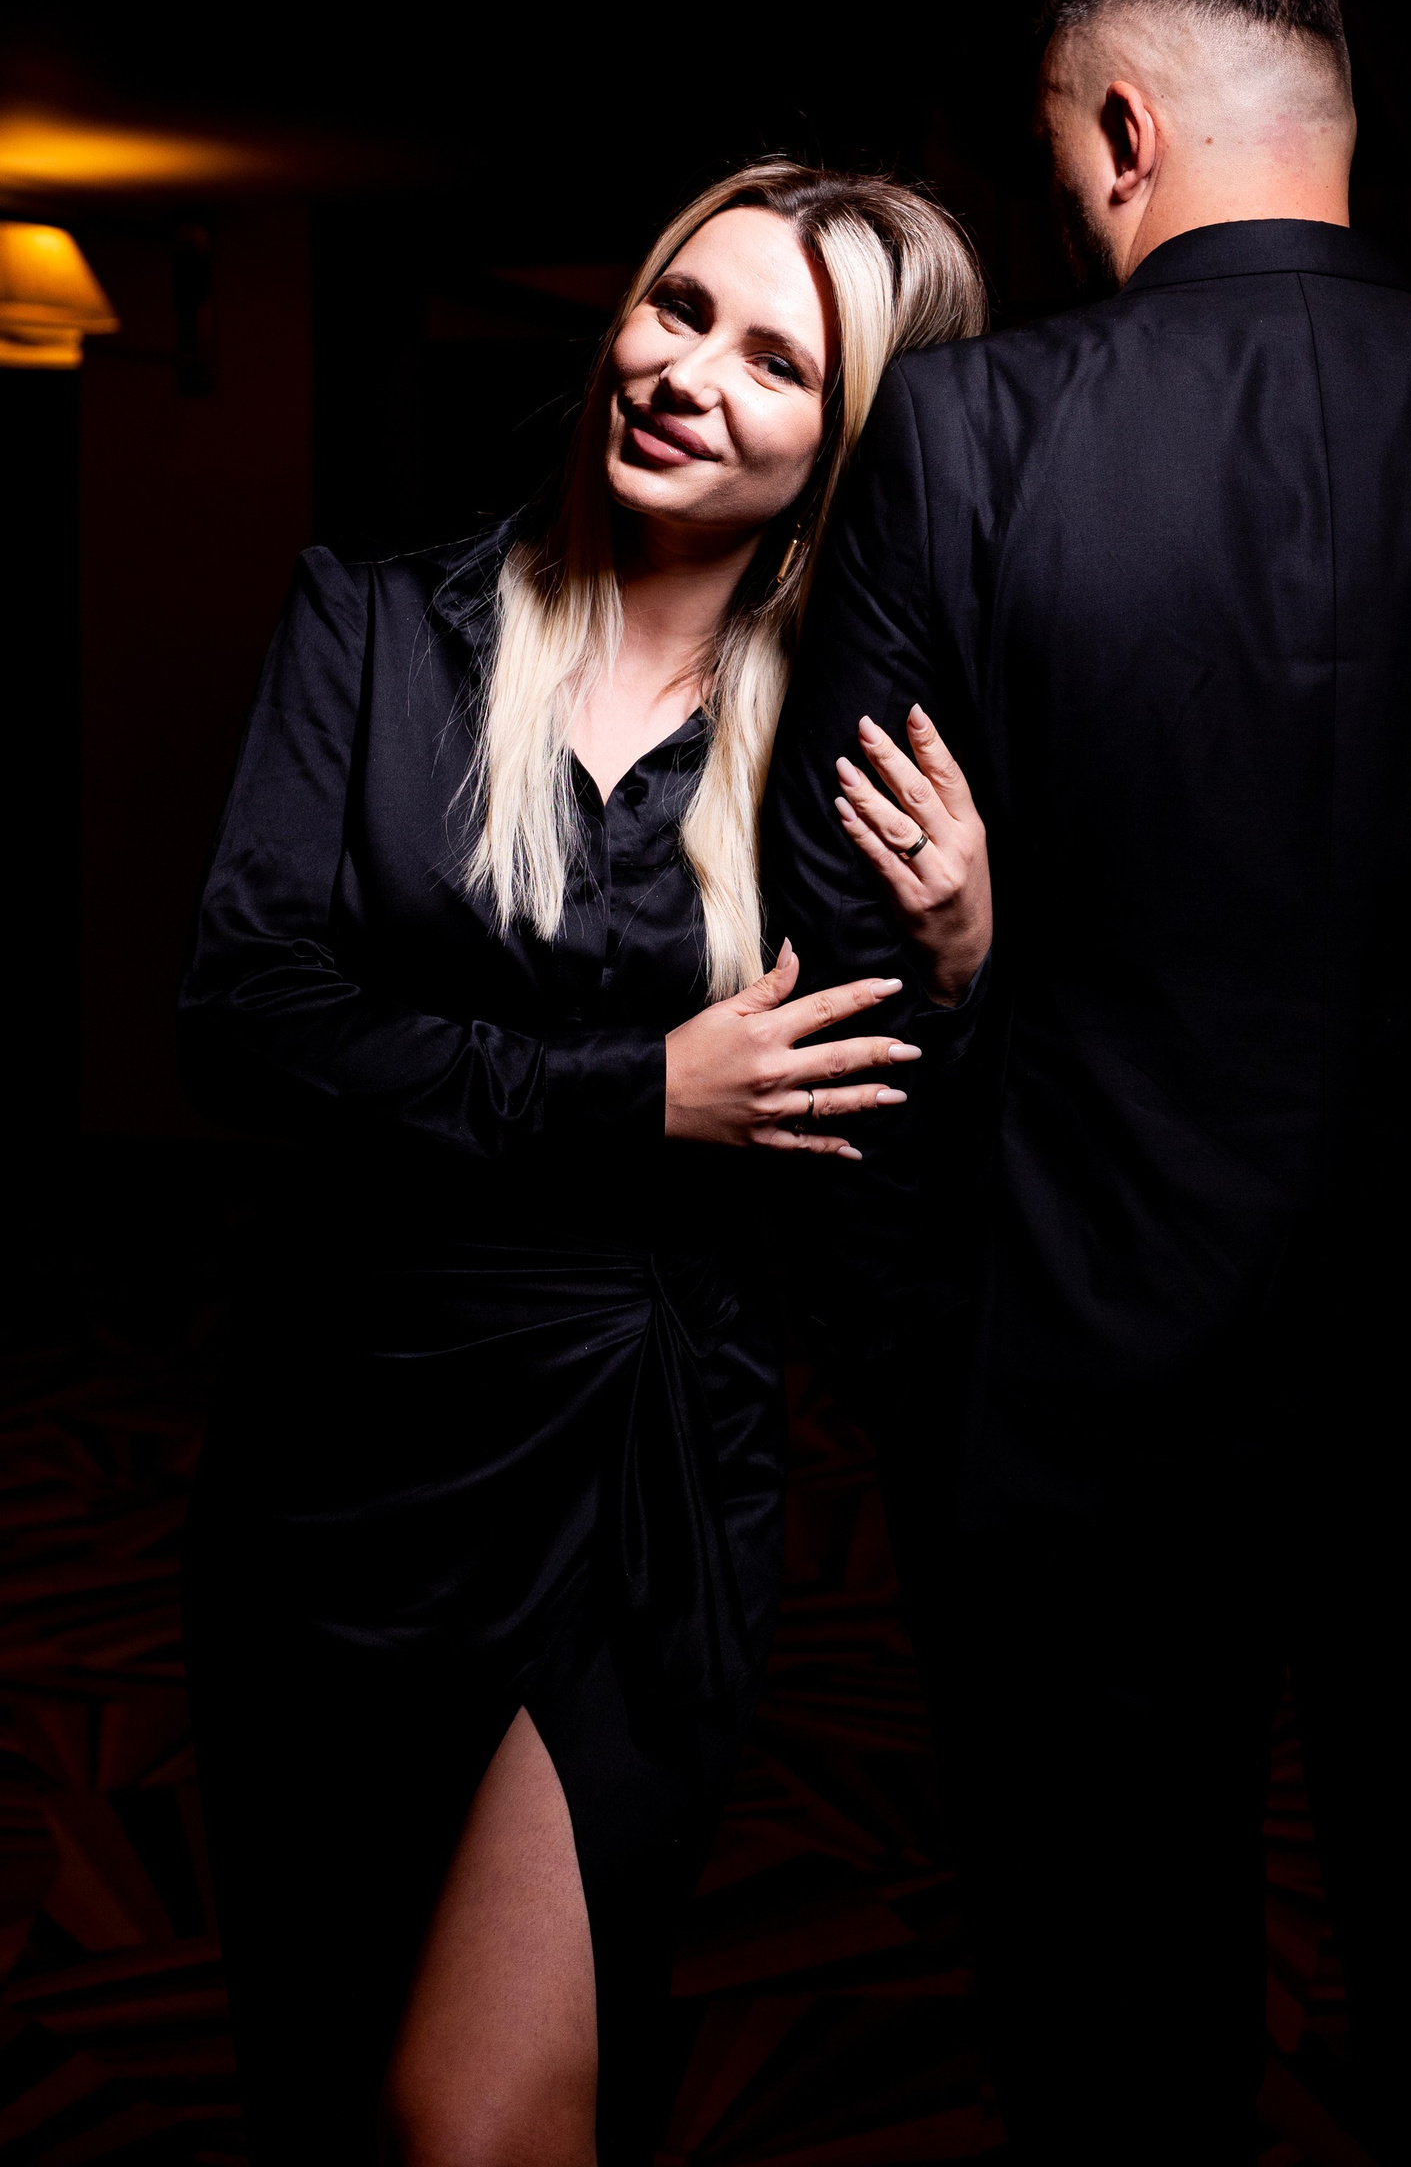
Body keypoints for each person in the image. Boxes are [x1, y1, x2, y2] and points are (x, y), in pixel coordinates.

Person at [762, 0, 1411, 2163]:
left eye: (1063, 155)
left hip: (1084, 1369)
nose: (1069, 199)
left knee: (1116, 2032)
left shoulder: (968, 430)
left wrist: (926, 1355)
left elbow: (847, 954)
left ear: (1125, 134)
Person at [178, 163, 985, 2167]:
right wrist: (636, 1095)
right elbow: (249, 1018)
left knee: (477, 2119)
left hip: (647, 1456)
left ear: (843, 447)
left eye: (776, 360)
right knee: (324, 2076)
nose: (687, 371)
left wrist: (967, 973)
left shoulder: (858, 754)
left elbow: (907, 1215)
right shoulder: (375, 625)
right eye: (678, 308)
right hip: (342, 1450)